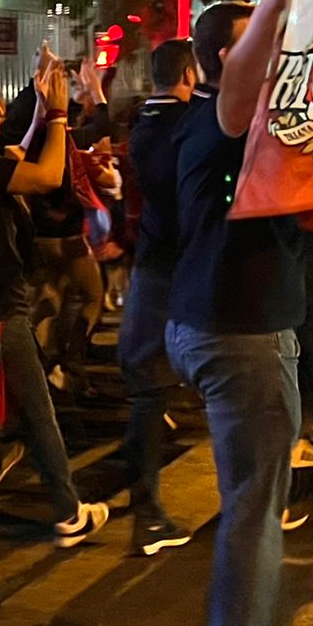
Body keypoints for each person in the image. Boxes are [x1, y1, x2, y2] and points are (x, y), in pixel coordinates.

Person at [167, 0, 313, 626]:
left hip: (225, 327)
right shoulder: (228, 118)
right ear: (235, 54)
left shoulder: (239, 126)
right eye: (273, 39)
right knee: (255, 509)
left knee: (250, 500)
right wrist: (273, 0)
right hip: (240, 335)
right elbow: (240, 85)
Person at [0, 62, 109, 547]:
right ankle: (67, 511)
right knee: (38, 413)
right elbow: (43, 175)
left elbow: (18, 154)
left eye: (0, 100)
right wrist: (58, 114)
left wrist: (41, 110)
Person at [117, 37, 200, 556]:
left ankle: (146, 509)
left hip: (156, 263)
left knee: (150, 388)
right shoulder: (185, 125)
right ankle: (147, 514)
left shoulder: (147, 122)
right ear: (190, 73)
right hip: (184, 267)